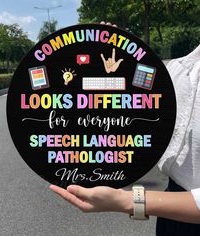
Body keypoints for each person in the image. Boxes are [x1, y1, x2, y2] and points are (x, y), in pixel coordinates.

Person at [49, 23, 200, 235]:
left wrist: (127, 201)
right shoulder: (181, 68)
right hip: (172, 211)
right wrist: (125, 52)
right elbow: (131, 100)